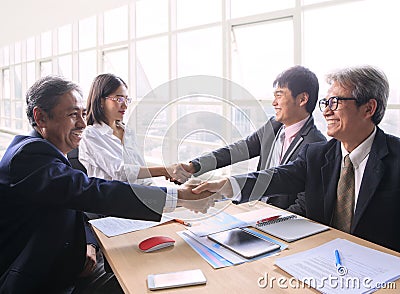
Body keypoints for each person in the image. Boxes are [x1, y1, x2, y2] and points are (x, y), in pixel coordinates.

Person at [0, 75, 215, 293]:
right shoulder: (28, 156)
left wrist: (89, 243)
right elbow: (92, 191)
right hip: (38, 283)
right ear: (41, 117)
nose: (83, 123)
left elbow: (75, 204)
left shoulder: (48, 156)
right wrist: (179, 197)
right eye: (73, 114)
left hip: (68, 266)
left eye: (83, 114)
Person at [192, 65, 400, 253]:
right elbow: (278, 177)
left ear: (368, 109)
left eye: (335, 102)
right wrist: (224, 186)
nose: (326, 111)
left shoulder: (396, 157)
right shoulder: (318, 154)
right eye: (326, 103)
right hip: (320, 256)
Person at [173, 65, 326, 209]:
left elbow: (304, 205)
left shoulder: (316, 144)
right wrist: (194, 166)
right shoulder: (274, 126)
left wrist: (267, 223)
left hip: (279, 222)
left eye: (279, 95)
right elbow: (239, 150)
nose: (274, 103)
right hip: (254, 208)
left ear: (302, 99)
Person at [78, 73, 177, 185]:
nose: (125, 105)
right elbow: (120, 172)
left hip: (142, 193)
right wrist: (164, 171)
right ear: (101, 101)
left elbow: (140, 172)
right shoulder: (91, 135)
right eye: (119, 99)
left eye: (126, 99)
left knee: (192, 193)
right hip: (115, 199)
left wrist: (162, 188)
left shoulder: (128, 132)